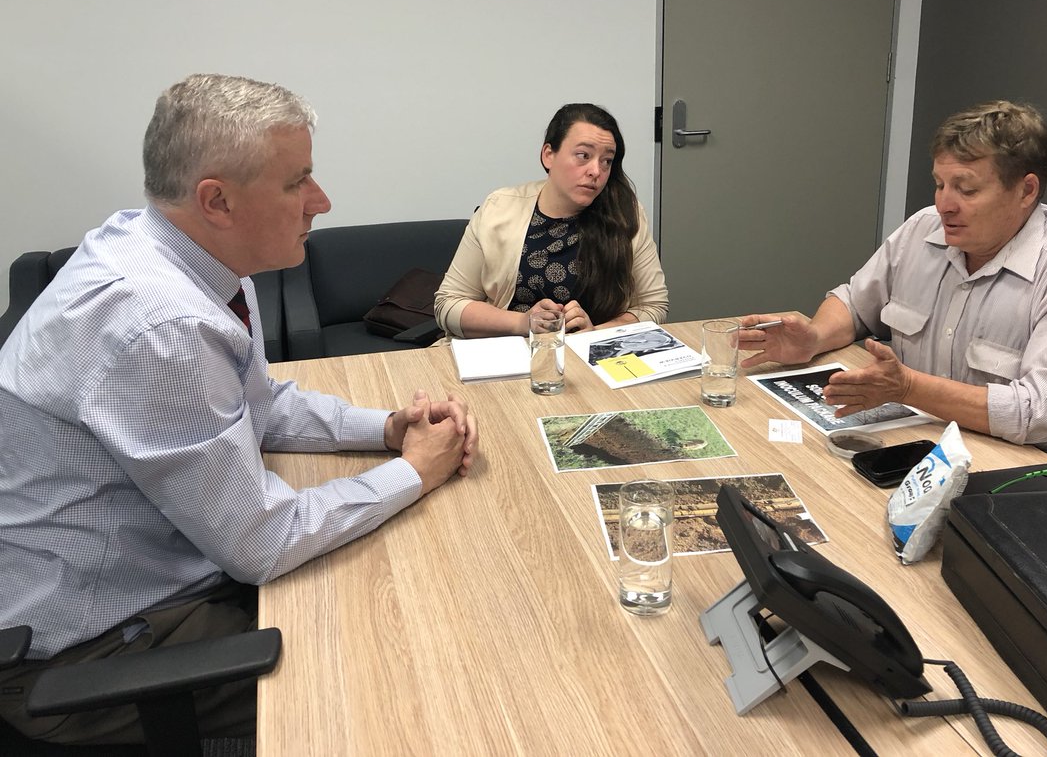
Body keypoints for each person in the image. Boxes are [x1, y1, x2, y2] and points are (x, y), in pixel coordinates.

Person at [0, 73, 479, 745]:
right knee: (404, 657)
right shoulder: (156, 320)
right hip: (85, 651)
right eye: (297, 182)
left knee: (399, 577)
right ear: (216, 200)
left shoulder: (193, 261)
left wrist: (389, 429)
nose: (322, 200)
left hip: (162, 567)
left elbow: (262, 406)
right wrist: (416, 472)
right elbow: (261, 544)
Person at [739, 100, 1047, 480]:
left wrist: (907, 387)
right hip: (928, 448)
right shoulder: (925, 228)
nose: (944, 205)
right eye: (939, 185)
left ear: (1026, 191)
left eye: (966, 189)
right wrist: (816, 336)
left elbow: (1045, 416)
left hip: (1046, 482)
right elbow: (856, 302)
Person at [434, 103, 668, 338]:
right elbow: (448, 304)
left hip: (589, 357)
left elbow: (653, 306)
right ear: (548, 155)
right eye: (583, 156)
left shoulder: (625, 215)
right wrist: (521, 323)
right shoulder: (499, 207)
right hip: (506, 352)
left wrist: (595, 333)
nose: (596, 171)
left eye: (606, 161)